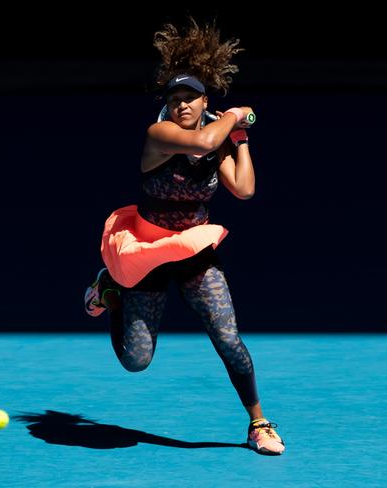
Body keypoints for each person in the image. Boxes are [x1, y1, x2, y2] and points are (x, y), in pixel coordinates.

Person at [83, 18, 285, 456]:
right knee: (136, 361)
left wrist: (241, 137)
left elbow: (245, 189)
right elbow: (201, 144)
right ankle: (109, 290)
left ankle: (259, 423)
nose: (182, 105)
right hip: (145, 254)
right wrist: (233, 117)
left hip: (194, 253)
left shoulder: (218, 134)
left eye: (190, 97)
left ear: (203, 99)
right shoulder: (159, 134)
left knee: (229, 338)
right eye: (174, 99)